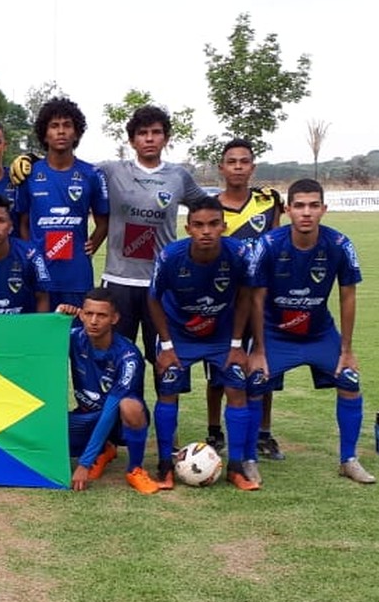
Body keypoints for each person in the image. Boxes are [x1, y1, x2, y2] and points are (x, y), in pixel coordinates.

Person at [245, 178, 375, 484]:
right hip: (275, 335)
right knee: (252, 384)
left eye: (314, 206)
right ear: (288, 209)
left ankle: (349, 459)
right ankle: (248, 459)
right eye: (300, 206)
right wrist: (259, 350)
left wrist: (346, 350)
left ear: (324, 209)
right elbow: (256, 297)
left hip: (319, 334)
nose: (307, 213)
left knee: (350, 381)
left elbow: (348, 295)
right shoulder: (268, 245)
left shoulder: (339, 245)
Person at [146, 197, 260, 491]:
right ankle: (164, 465)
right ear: (188, 229)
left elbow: (246, 296)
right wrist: (168, 346)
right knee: (168, 388)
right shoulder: (170, 256)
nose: (206, 231)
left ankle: (236, 467)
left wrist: (237, 343)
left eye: (213, 224)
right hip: (179, 333)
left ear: (223, 226)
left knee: (236, 387)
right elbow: (154, 299)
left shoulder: (240, 253)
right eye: (198, 225)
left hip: (222, 334)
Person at [91, 104, 209, 349]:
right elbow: (73, 171)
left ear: (166, 138)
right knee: (117, 353)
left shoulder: (179, 176)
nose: (149, 138)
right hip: (119, 281)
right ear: (132, 140)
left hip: (161, 281)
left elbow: (209, 209)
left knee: (164, 357)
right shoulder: (111, 171)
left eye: (156, 132)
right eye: (142, 133)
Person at [206, 138, 285, 461]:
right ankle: (214, 431)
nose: (238, 167)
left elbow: (278, 246)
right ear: (221, 168)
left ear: (252, 167)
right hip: (225, 302)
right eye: (231, 161)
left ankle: (264, 433)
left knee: (263, 367)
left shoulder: (269, 202)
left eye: (244, 161)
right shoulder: (210, 206)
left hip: (263, 300)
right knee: (219, 369)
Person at [13, 98, 110, 310]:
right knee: (40, 338)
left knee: (74, 337)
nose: (61, 131)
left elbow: (103, 221)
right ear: (44, 134)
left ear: (76, 133)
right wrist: (31, 253)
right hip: (40, 275)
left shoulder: (91, 174)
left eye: (67, 125)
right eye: (54, 126)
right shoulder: (29, 174)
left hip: (76, 276)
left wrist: (92, 244)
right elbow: (23, 221)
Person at [63, 287, 158, 495]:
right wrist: (56, 318)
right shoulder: (73, 338)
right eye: (89, 314)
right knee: (48, 436)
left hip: (117, 421)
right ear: (81, 315)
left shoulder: (128, 356)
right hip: (87, 417)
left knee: (129, 406)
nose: (94, 321)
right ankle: (105, 448)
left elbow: (110, 411)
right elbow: (39, 346)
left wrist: (84, 464)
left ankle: (135, 469)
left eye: (102, 315)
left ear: (114, 318)